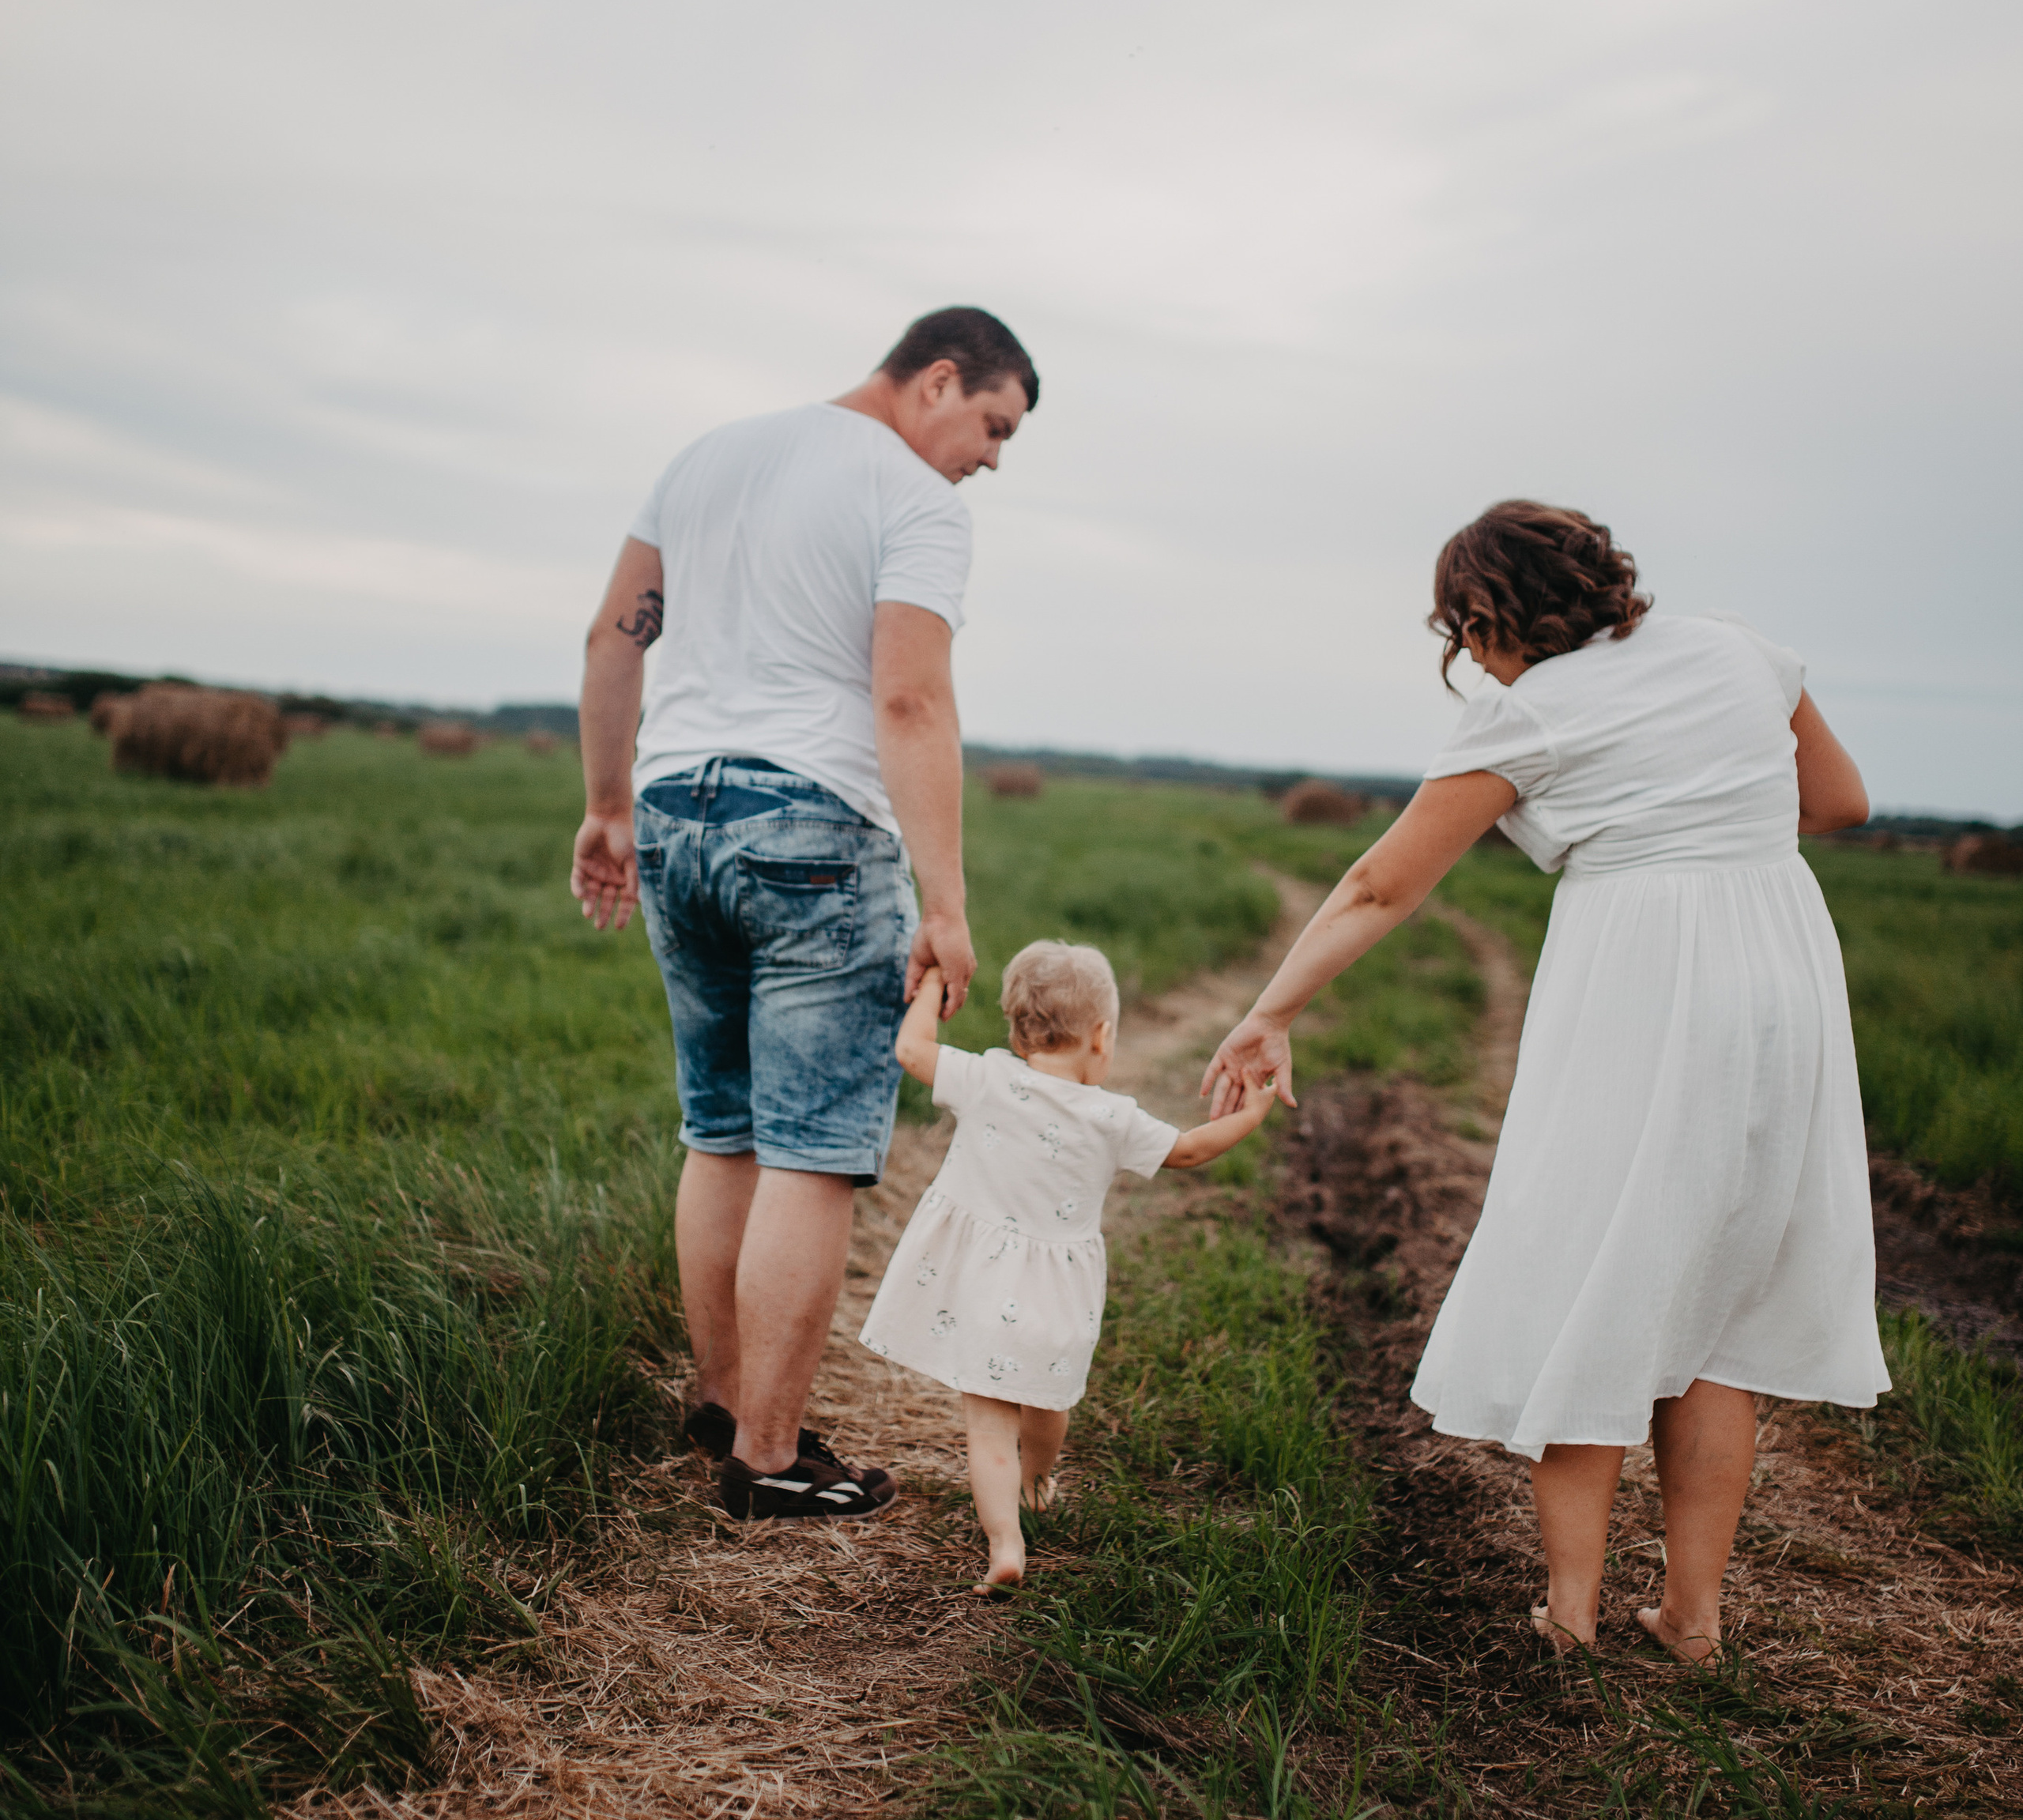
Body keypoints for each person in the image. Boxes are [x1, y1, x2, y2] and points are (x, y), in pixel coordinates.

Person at [1202, 500, 1884, 1667]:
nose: (1468, 659)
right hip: (1784, 974)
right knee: (1716, 1306)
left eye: (1463, 636)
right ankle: (1693, 1622)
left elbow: (1381, 886)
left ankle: (1569, 1619)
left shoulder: (1528, 715)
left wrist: (1271, 1011)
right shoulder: (1739, 649)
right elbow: (1841, 806)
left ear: (1483, 616)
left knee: (1596, 1277)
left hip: (1648, 987)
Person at [570, 305, 1039, 1524]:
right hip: (815, 830)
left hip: (676, 813)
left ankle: (722, 1407)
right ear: (939, 379)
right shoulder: (918, 502)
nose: (992, 458)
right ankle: (770, 1459)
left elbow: (612, 642)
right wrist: (948, 905)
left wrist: (609, 808)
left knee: (719, 1131)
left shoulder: (706, 456)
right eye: (992, 425)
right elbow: (910, 702)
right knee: (812, 1153)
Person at [863, 939, 1279, 1589]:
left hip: (981, 1288)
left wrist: (934, 979)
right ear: (1102, 1035)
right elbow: (1192, 1151)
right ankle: (1038, 1481)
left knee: (990, 1422)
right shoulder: (1113, 1117)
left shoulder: (988, 1078)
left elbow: (912, 1050)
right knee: (1047, 1398)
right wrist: (1251, 1113)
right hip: (1059, 1298)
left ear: (1017, 1026)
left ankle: (1005, 1543)